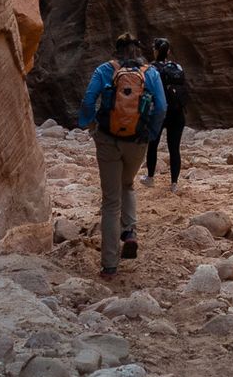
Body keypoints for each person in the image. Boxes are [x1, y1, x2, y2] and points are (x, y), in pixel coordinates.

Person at [75, 32, 167, 279]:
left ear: (116, 50)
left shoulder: (104, 70)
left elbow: (88, 99)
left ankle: (109, 265)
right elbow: (161, 106)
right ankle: (130, 232)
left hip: (108, 139)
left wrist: (89, 123)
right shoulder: (151, 73)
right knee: (128, 184)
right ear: (138, 49)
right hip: (137, 142)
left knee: (110, 201)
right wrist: (151, 133)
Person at [143, 37, 189, 191]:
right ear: (168, 51)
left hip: (159, 112)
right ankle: (174, 183)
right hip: (178, 113)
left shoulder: (150, 69)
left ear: (155, 50)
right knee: (174, 148)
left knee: (153, 145)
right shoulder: (178, 67)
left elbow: (147, 91)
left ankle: (150, 177)